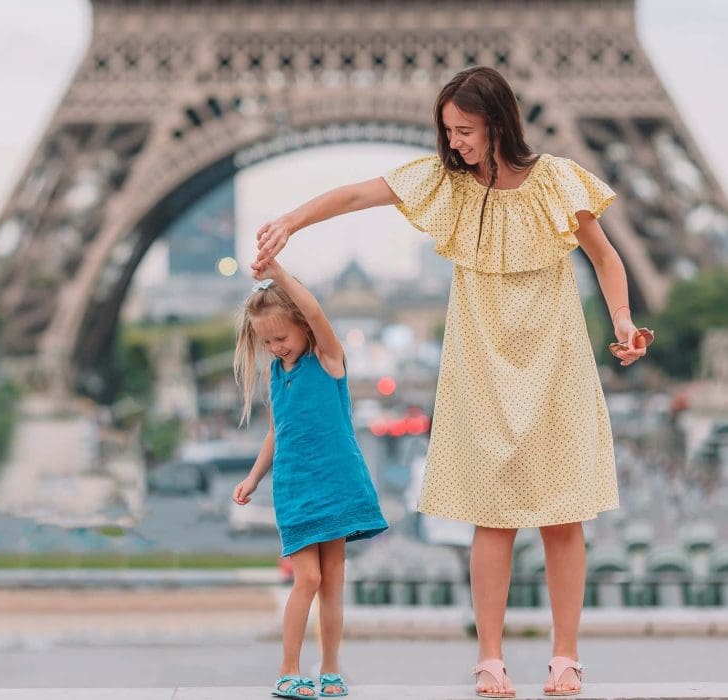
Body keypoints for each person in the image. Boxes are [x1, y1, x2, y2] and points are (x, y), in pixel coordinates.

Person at [252, 66, 653, 698]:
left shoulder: (556, 180)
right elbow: (358, 195)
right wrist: (291, 222)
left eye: (464, 130)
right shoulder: (446, 183)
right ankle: (489, 659)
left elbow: (604, 256)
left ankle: (565, 658)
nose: (455, 141)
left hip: (555, 355)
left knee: (564, 516)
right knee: (490, 516)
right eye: (448, 130)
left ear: (498, 123)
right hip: (481, 360)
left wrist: (625, 323)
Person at [232, 258, 388, 698]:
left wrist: (278, 274)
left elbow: (318, 313)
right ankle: (288, 669)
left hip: (337, 483)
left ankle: (331, 670)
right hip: (296, 489)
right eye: (266, 341)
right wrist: (253, 478)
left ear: (303, 326)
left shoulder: (328, 359)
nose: (275, 347)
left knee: (333, 584)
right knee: (310, 580)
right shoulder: (276, 376)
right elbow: (276, 435)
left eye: (281, 337)